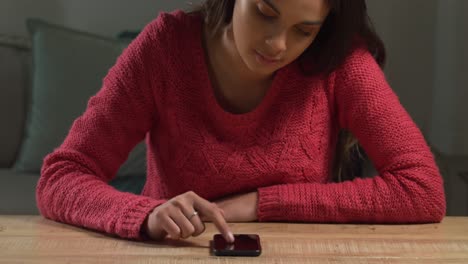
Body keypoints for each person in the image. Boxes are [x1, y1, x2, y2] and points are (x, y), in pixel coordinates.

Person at [36, 0, 446, 244]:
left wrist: (259, 204)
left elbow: (422, 188)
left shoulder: (340, 62)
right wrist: (145, 215)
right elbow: (62, 176)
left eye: (304, 30)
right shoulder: (164, 50)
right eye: (265, 12)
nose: (277, 44)